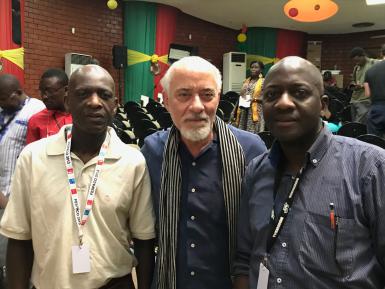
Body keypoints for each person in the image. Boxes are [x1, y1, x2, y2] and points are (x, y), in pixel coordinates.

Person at [233, 56, 385, 289]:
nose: (283, 103)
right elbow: (244, 260)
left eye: (299, 92)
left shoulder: (370, 168)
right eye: (272, 95)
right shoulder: (255, 171)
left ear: (323, 105)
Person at [0, 65, 155, 289]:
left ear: (114, 105)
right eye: (83, 94)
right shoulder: (33, 158)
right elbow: (19, 239)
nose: (94, 102)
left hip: (113, 283)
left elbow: (144, 241)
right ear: (68, 100)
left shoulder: (132, 162)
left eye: (104, 95)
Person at [141, 56, 266, 289]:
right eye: (184, 95)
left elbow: (262, 235)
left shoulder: (251, 150)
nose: (197, 106)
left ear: (218, 99)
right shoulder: (152, 151)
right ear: (166, 101)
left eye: (207, 95)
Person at [0, 74, 45, 287]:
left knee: (15, 257)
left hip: (16, 197)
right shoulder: (2, 110)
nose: (1, 104)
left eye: (4, 99)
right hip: (0, 193)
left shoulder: (36, 110)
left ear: (18, 92)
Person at [26, 68, 72, 144]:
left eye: (50, 91)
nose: (44, 97)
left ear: (66, 90)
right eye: (42, 91)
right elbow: (31, 153)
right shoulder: (36, 121)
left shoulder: (82, 116)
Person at [232, 61, 265, 133]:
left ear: (261, 70)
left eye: (256, 67)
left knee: (252, 133)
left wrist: (254, 99)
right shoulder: (246, 81)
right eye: (252, 67)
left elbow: (266, 98)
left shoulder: (263, 82)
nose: (253, 69)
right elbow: (241, 95)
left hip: (255, 111)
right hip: (244, 110)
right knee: (242, 131)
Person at [349, 47, 378, 124]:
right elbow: (353, 80)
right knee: (354, 124)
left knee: (359, 125)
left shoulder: (373, 63)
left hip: (365, 100)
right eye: (355, 61)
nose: (357, 63)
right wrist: (353, 85)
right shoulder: (356, 67)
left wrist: (362, 86)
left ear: (363, 55)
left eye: (358, 60)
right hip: (354, 99)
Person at [364, 44, 385, 138]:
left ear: (381, 53)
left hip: (376, 110)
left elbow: (367, 94)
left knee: (375, 143)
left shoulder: (370, 71)